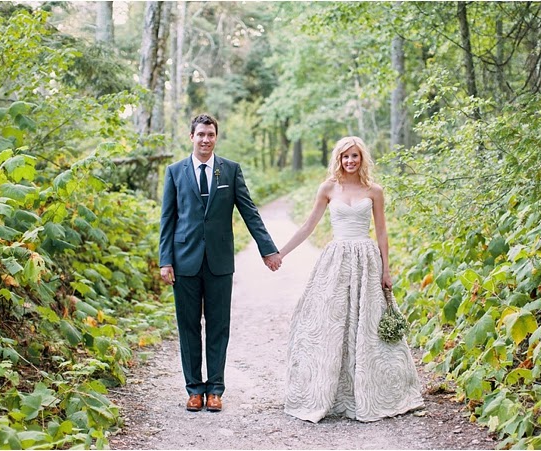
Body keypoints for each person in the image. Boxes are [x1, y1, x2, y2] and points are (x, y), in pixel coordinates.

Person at [278, 136, 424, 423]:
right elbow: (308, 226)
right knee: (331, 322)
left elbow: (381, 232)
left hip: (367, 260)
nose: (350, 161)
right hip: (337, 259)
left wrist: (386, 269)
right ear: (339, 159)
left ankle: (369, 391)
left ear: (361, 158)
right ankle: (332, 391)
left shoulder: (374, 190)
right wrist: (280, 253)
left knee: (367, 324)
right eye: (345, 156)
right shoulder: (328, 188)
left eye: (354, 156)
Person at [159, 113, 282, 413]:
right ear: (192, 137)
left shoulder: (230, 170)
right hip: (184, 261)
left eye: (210, 134)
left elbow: (249, 211)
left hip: (220, 261)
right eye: (201, 134)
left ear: (216, 137)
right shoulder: (175, 172)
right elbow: (168, 219)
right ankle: (194, 390)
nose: (206, 139)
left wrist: (268, 249)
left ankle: (215, 389)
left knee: (218, 326)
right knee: (188, 327)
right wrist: (165, 260)